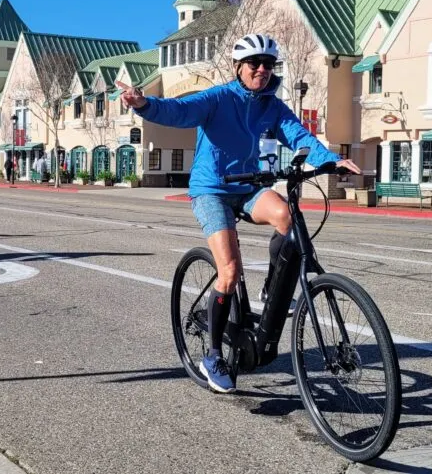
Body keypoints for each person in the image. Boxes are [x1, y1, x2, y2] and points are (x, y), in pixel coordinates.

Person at [120, 33, 360, 394]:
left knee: (288, 219)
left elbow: (299, 136)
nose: (262, 70)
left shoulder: (270, 104)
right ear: (238, 68)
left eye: (268, 64)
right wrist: (143, 104)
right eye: (254, 64)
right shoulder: (218, 98)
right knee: (229, 270)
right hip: (212, 189)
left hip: (248, 186)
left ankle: (270, 289)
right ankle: (213, 355)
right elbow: (179, 111)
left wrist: (330, 160)